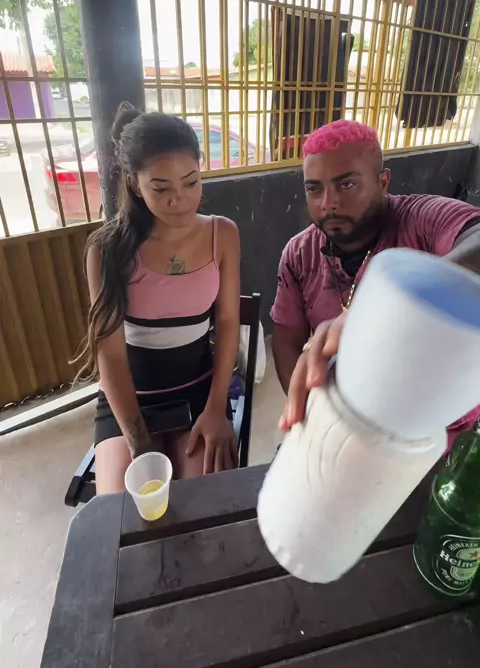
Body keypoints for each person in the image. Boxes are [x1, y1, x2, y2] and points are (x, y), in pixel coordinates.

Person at [272, 118, 480, 444]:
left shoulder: (423, 220)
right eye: (314, 188)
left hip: (441, 429)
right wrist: (311, 412)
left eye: (346, 184)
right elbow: (286, 341)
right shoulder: (300, 254)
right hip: (350, 424)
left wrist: (385, 310)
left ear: (383, 181)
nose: (328, 202)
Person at [76, 104, 240, 493]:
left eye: (191, 182)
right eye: (161, 188)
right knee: (124, 510)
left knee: (204, 505)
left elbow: (228, 321)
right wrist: (138, 442)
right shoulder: (107, 250)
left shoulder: (223, 235)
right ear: (135, 185)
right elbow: (111, 357)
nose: (179, 200)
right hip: (129, 401)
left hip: (199, 391)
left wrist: (216, 408)